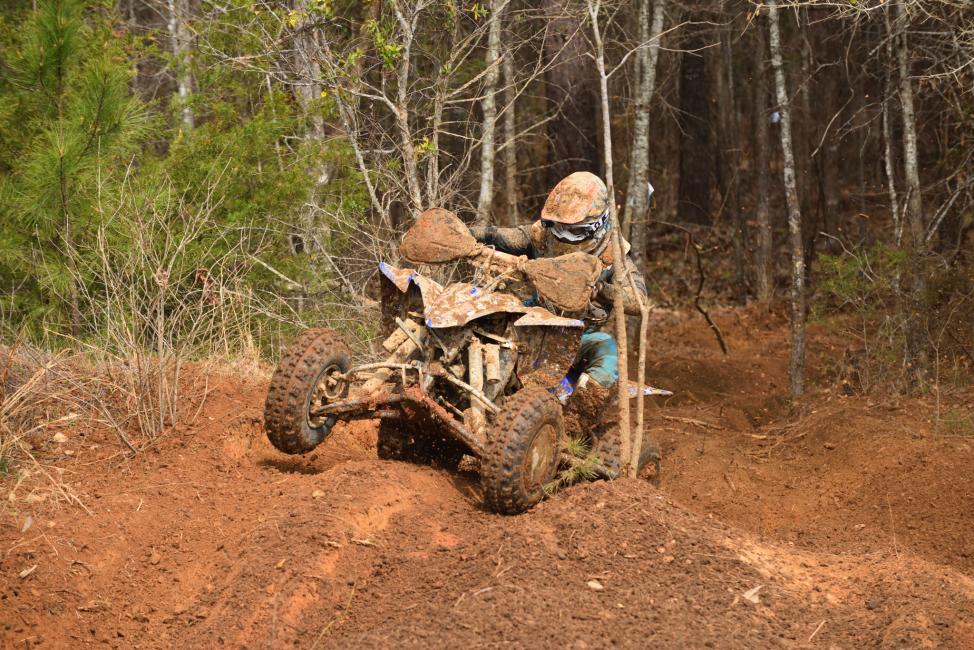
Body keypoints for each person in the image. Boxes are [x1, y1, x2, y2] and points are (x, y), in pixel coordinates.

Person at [469, 171, 649, 395]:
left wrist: (602, 290)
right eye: (558, 225)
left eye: (574, 230)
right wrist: (467, 234)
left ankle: (580, 414)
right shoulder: (541, 235)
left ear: (599, 223)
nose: (563, 235)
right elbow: (498, 235)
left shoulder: (614, 255)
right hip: (526, 325)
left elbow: (640, 301)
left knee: (608, 351)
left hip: (576, 337)